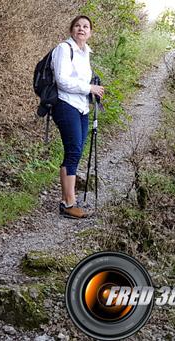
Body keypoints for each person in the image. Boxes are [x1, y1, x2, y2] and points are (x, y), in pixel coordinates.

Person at [52, 15, 104, 219]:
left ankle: (66, 200)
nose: (81, 29)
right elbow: (62, 81)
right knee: (74, 151)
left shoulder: (85, 53)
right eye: (78, 26)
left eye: (86, 26)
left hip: (82, 107)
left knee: (75, 152)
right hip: (65, 105)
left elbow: (80, 81)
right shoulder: (64, 49)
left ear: (90, 32)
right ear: (71, 29)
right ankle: (69, 203)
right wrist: (89, 87)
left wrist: (93, 91)